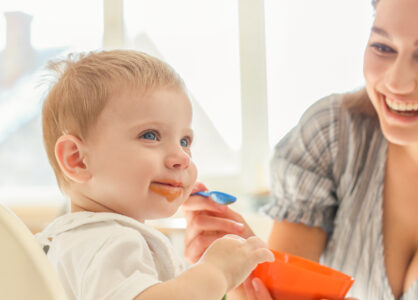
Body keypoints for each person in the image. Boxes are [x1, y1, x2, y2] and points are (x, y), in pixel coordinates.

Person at [182, 0, 418, 299]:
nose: (396, 82)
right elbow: (282, 295)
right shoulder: (333, 134)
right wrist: (243, 269)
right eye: (383, 47)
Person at [35, 50, 274, 300]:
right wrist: (216, 272)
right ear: (78, 160)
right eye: (150, 135)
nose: (182, 157)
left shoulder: (68, 242)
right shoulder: (111, 241)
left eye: (184, 140)